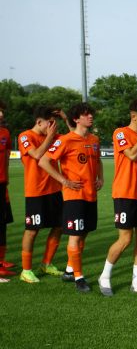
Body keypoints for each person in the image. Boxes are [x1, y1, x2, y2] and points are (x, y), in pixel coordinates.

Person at [38, 102, 104, 293]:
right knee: (75, 236)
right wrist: (64, 181)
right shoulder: (66, 140)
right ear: (76, 119)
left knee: (83, 234)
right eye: (86, 114)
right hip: (74, 196)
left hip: (91, 196)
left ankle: (69, 270)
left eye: (91, 113)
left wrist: (101, 177)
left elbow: (97, 159)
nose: (90, 117)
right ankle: (79, 278)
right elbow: (44, 161)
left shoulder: (94, 139)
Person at [98, 99, 137, 296]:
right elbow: (131, 155)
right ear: (134, 116)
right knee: (125, 239)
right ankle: (105, 277)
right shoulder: (121, 133)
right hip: (124, 193)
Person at [18, 106, 69, 283]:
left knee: (59, 227)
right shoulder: (25, 136)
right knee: (32, 230)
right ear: (39, 122)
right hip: (35, 192)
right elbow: (38, 155)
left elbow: (74, 136)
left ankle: (47, 263)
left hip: (55, 190)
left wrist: (65, 118)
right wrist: (50, 136)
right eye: (50, 123)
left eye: (55, 123)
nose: (53, 127)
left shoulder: (54, 136)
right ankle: (26, 270)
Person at [0, 100, 15, 279]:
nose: (1, 114)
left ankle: (1, 262)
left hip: (2, 184)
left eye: (2, 111)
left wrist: (7, 178)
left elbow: (6, 157)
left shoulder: (5, 133)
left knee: (2, 225)